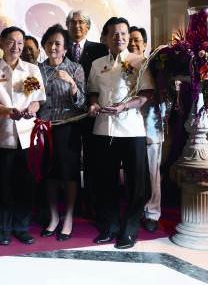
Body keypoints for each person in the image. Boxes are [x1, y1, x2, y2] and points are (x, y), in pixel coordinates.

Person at [87, 17, 153, 249]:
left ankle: (130, 228)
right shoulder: (97, 64)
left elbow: (146, 95)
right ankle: (110, 226)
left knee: (137, 184)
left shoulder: (140, 61)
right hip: (104, 129)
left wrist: (124, 106)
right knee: (106, 181)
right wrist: (94, 105)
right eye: (114, 34)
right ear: (105, 38)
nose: (120, 37)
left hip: (132, 129)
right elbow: (93, 92)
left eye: (123, 33)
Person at [0, 26, 45, 246]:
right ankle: (3, 227)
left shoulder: (31, 69)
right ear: (2, 43)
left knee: (25, 184)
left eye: (20, 42)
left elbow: (38, 98)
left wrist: (33, 106)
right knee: (3, 185)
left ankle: (21, 227)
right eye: (11, 42)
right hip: (1, 134)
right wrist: (6, 111)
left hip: (27, 135)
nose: (16, 47)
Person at [37, 24, 86, 241]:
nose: (53, 47)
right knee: (49, 173)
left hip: (69, 126)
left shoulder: (76, 68)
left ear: (66, 48)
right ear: (44, 46)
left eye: (58, 44)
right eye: (49, 43)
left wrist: (73, 86)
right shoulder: (37, 70)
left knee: (69, 175)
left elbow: (83, 103)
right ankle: (54, 217)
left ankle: (68, 217)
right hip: (44, 127)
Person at [65, 10, 108, 220]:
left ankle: (92, 201)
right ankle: (72, 204)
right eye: (72, 23)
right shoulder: (59, 47)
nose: (77, 26)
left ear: (88, 26)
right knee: (70, 158)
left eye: (81, 22)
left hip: (93, 113)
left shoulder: (100, 49)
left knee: (94, 159)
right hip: (68, 114)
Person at [128, 26, 164, 232]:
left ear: (144, 44)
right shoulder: (124, 64)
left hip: (150, 124)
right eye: (130, 40)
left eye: (137, 40)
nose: (133, 43)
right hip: (130, 126)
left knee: (152, 172)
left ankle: (152, 212)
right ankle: (136, 208)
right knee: (135, 173)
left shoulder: (154, 65)